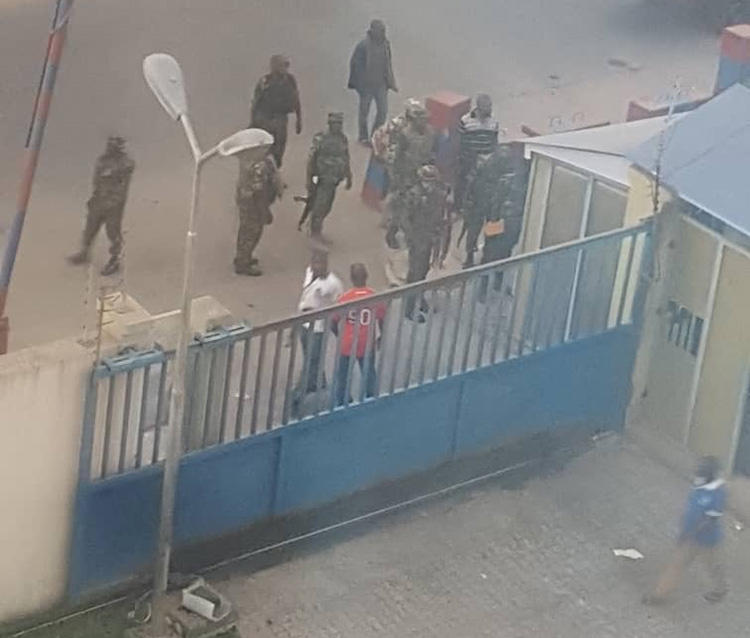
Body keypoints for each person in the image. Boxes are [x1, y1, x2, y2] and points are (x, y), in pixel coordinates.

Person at [643, 456, 728, 605]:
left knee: (712, 565)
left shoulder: (717, 493)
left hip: (706, 539)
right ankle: (659, 595)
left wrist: (689, 534)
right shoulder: (699, 484)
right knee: (677, 565)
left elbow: (709, 520)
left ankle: (721, 588)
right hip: (690, 536)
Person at [68, 136, 135, 276]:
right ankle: (84, 252)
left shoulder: (125, 164)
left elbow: (123, 187)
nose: (109, 148)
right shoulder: (102, 161)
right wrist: (94, 198)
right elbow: (97, 181)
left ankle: (115, 260)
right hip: (98, 201)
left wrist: (114, 201)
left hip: (114, 204)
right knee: (89, 229)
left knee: (113, 233)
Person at [294, 250, 344, 407]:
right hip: (304, 323)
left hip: (319, 327)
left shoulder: (333, 284)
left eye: (319, 264)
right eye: (314, 263)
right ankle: (320, 381)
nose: (316, 266)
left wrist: (335, 327)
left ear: (326, 264)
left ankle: (298, 394)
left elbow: (339, 305)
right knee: (309, 355)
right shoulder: (309, 272)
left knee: (311, 360)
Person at [332, 263, 386, 406]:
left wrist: (339, 336)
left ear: (351, 278)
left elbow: (333, 321)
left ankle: (342, 401)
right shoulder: (375, 297)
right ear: (367, 277)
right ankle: (370, 398)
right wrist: (381, 335)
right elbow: (382, 318)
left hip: (348, 343)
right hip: (366, 342)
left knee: (343, 375)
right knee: (369, 373)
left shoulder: (345, 298)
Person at [384, 101, 436, 249]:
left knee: (418, 207)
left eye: (424, 119)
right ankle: (391, 234)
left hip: (422, 175)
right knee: (401, 208)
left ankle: (411, 235)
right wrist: (397, 179)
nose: (422, 122)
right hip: (406, 176)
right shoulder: (405, 134)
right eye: (419, 119)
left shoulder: (431, 133)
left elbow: (432, 153)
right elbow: (398, 157)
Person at [402, 164, 449, 321]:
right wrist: (411, 237)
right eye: (426, 181)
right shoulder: (413, 195)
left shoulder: (438, 195)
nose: (429, 184)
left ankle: (419, 297)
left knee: (424, 269)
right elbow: (405, 218)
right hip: (417, 238)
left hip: (430, 237)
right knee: (415, 272)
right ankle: (409, 308)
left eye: (432, 181)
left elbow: (441, 216)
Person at [233, 148, 284, 276]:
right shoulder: (258, 166)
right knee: (253, 232)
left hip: (245, 201)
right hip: (253, 205)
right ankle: (243, 263)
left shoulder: (246, 159)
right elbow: (259, 192)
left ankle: (243, 257)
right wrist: (265, 211)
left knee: (245, 230)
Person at [462, 144, 515, 268]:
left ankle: (485, 255)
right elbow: (471, 183)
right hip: (479, 202)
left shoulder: (507, 170)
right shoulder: (484, 165)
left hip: (493, 206)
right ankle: (470, 256)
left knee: (490, 232)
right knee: (473, 232)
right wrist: (468, 201)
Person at [348, 19, 398, 145]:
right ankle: (363, 136)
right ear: (373, 30)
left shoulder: (386, 45)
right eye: (380, 30)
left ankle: (375, 136)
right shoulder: (363, 46)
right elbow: (355, 65)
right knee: (364, 112)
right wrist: (359, 84)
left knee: (382, 111)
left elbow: (388, 64)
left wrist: (391, 82)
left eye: (383, 30)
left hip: (381, 84)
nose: (382, 33)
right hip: (367, 86)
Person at [305, 112, 352, 240]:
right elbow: (311, 160)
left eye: (339, 124)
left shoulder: (342, 138)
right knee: (320, 206)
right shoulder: (321, 138)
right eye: (335, 124)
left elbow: (346, 157)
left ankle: (316, 228)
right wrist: (310, 180)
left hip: (334, 179)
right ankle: (315, 233)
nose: (338, 126)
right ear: (330, 124)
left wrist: (349, 176)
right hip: (322, 178)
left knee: (327, 206)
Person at [250, 54, 302, 168]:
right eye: (282, 65)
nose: (285, 68)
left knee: (280, 147)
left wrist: (299, 120)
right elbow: (256, 102)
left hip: (281, 118)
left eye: (286, 65)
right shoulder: (265, 82)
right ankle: (264, 173)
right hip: (264, 118)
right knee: (266, 147)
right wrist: (253, 123)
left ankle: (276, 172)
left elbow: (296, 99)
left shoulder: (290, 80)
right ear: (274, 66)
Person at [456, 94, 500, 213]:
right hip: (469, 160)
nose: (490, 109)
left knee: (482, 185)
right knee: (463, 183)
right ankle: (458, 206)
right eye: (487, 107)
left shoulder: (493, 122)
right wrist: (466, 159)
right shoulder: (465, 121)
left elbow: (494, 141)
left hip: (486, 160)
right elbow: (461, 142)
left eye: (490, 106)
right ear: (479, 108)